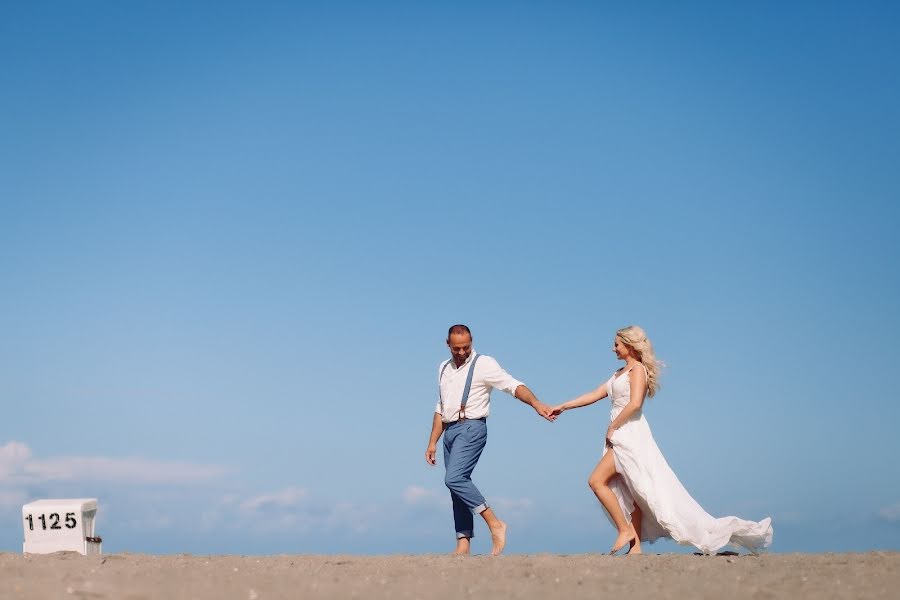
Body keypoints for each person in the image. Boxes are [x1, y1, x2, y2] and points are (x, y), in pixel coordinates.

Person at [551, 325, 773, 555]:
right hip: (620, 434)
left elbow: (636, 403)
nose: (613, 348)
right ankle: (635, 548)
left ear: (629, 345)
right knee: (631, 491)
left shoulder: (637, 371)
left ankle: (624, 530)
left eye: (617, 344)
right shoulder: (618, 373)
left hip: (630, 435)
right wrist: (563, 406)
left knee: (596, 481)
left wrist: (613, 427)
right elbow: (594, 394)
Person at [424, 324, 555, 556]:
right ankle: (463, 544)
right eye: (457, 349)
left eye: (466, 347)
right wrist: (432, 442)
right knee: (458, 487)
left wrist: (536, 403)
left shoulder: (484, 363)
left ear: (472, 342)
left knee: (454, 478)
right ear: (448, 345)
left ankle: (495, 523)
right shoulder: (443, 368)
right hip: (450, 431)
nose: (462, 352)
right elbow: (440, 407)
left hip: (472, 428)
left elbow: (512, 385)